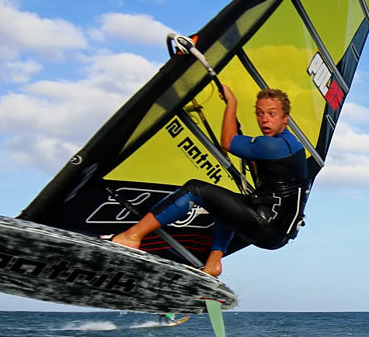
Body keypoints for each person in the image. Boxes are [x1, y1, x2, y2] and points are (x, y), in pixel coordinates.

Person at [111, 85, 309, 277]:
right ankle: (214, 262)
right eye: (259, 113)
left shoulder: (272, 146)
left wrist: (231, 103)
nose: (264, 119)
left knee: (195, 190)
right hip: (279, 231)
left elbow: (228, 141)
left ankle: (132, 236)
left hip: (266, 226)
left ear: (285, 118)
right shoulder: (292, 144)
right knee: (224, 204)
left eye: (272, 114)